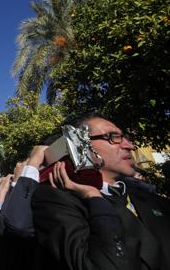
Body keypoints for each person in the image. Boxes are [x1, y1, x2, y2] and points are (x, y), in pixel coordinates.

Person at [32, 113, 170, 270]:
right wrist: (94, 198)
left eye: (125, 137)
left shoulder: (154, 200)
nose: (129, 146)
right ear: (78, 145)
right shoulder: (55, 201)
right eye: (112, 137)